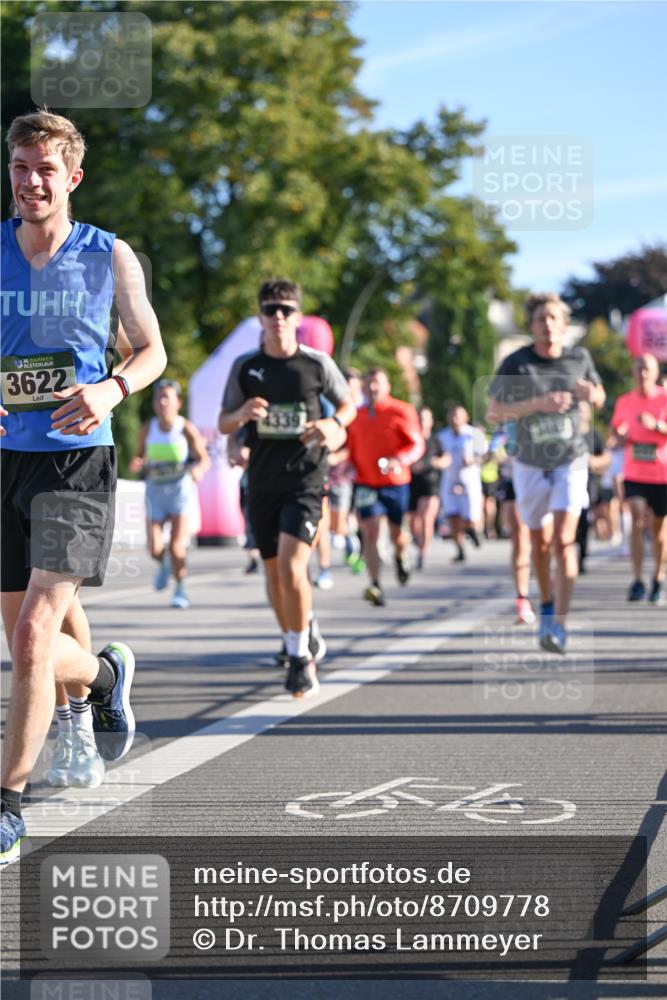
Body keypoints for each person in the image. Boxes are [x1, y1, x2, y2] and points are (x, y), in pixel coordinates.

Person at [0, 110, 167, 865]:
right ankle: (103, 676)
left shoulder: (108, 255)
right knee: (26, 640)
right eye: (19, 166)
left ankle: (8, 803)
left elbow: (152, 350)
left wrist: (112, 390)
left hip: (76, 457)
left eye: (45, 169)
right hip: (7, 458)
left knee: (34, 636)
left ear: (71, 178)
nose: (30, 181)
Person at [218, 278, 354, 697]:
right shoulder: (245, 366)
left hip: (307, 481)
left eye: (286, 310)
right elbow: (224, 422)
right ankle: (300, 628)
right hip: (262, 482)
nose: (279, 317)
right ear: (260, 316)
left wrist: (333, 424)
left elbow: (348, 405)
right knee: (275, 575)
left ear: (298, 316)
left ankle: (299, 657)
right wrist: (241, 414)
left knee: (295, 568)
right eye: (271, 309)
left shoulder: (316, 364)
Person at [487, 292, 605, 654]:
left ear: (564, 324)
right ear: (532, 325)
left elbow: (600, 397)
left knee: (564, 540)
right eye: (541, 319)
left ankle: (558, 624)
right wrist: (536, 404)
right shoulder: (516, 363)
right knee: (539, 543)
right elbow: (494, 412)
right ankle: (547, 602)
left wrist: (593, 393)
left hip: (570, 458)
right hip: (529, 461)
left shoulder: (579, 358)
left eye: (554, 318)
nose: (548, 325)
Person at [346, 368, 424, 606]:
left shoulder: (401, 411)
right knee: (370, 532)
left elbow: (417, 445)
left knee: (397, 534)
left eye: (377, 383)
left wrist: (397, 460)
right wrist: (344, 465)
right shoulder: (355, 415)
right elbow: (348, 448)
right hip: (366, 483)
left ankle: (401, 556)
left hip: (395, 483)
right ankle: (375, 583)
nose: (372, 388)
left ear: (387, 386)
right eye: (368, 384)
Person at [130, 379, 210, 608]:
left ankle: (180, 590)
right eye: (158, 397)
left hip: (180, 489)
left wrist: (198, 469)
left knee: (176, 546)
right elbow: (139, 455)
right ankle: (165, 565)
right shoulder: (148, 429)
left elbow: (204, 459)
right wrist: (138, 462)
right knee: (154, 548)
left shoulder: (185, 428)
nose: (162, 402)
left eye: (167, 397)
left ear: (178, 402)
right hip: (156, 490)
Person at [611, 353, 667, 605]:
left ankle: (657, 577)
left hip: (661, 473)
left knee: (658, 532)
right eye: (639, 368)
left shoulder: (665, 398)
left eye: (647, 369)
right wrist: (620, 436)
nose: (643, 373)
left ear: (655, 373)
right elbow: (616, 429)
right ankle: (636, 579)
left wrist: (656, 426)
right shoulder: (624, 401)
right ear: (633, 373)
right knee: (635, 517)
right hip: (634, 472)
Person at [492, 423, 536, 625]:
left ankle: (548, 583)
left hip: (541, 479)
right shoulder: (506, 423)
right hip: (513, 480)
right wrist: (496, 453)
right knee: (519, 539)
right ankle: (522, 598)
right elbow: (495, 447)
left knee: (542, 541)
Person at [437, 406, 485, 563]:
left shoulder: (474, 434)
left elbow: (486, 456)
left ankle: (473, 531)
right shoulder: (442, 436)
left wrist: (473, 460)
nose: (455, 419)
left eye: (458, 416)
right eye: (452, 415)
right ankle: (459, 549)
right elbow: (437, 455)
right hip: (449, 481)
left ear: (466, 418)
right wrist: (441, 462)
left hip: (469, 482)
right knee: (452, 518)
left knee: (469, 518)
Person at [574, 402, 610, 574]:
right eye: (577, 411)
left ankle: (582, 556)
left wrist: (593, 461)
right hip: (570, 481)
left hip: (589, 482)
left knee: (584, 520)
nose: (580, 414)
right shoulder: (569, 434)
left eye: (583, 411)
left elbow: (606, 457)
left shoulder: (594, 434)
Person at [408, 406, 442, 570]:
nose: (422, 421)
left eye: (425, 418)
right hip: (412, 483)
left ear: (431, 421)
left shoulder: (436, 439)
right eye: (420, 417)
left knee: (427, 518)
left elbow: (446, 458)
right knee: (414, 521)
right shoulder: (410, 438)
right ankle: (417, 539)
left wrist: (435, 463)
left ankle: (423, 553)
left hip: (430, 483)